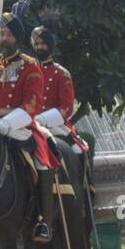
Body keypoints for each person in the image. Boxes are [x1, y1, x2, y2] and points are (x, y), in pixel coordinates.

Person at [0, 0, 55, 243]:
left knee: (42, 163)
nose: (4, 38)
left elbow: (31, 104)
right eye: (1, 33)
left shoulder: (30, 67)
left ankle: (44, 220)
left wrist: (6, 124)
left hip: (19, 126)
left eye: (8, 34)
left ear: (16, 38)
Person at [30, 10, 87, 156]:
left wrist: (43, 119)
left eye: (43, 43)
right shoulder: (27, 72)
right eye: (36, 43)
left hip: (55, 124)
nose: (39, 47)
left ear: (49, 46)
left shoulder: (62, 73)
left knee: (78, 151)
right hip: (29, 122)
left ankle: (81, 178)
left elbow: (67, 108)